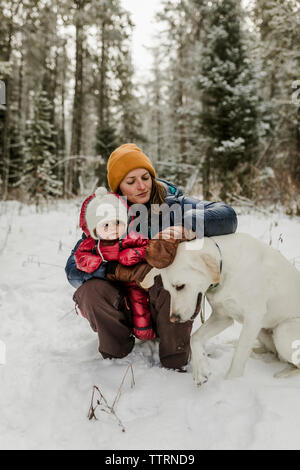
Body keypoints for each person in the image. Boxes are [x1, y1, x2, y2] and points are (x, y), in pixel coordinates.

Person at [65, 143, 238, 370]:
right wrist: (113, 271)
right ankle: (114, 352)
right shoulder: (107, 212)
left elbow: (228, 216)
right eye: (131, 181)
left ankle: (175, 356)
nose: (141, 186)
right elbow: (73, 269)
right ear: (118, 188)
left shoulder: (173, 203)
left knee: (165, 277)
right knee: (90, 290)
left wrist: (183, 226)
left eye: (145, 177)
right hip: (125, 305)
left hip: (167, 305)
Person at [74, 186, 156, 341]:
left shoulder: (132, 236)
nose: (113, 229)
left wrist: (132, 254)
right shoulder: (92, 244)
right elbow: (80, 257)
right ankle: (116, 334)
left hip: (132, 281)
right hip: (108, 283)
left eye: (118, 222)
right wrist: (95, 263)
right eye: (105, 225)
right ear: (94, 230)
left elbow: (146, 247)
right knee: (100, 298)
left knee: (138, 300)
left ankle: (144, 331)